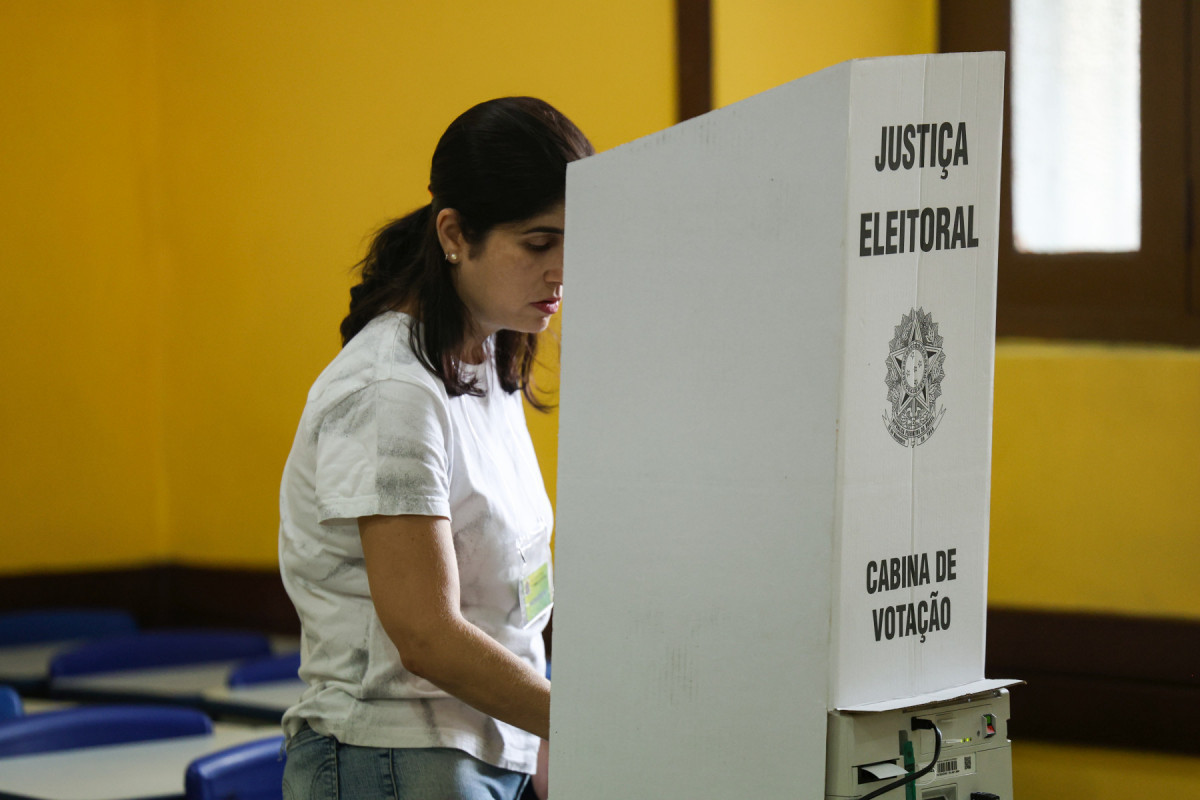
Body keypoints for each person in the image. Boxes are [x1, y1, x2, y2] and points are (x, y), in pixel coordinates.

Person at [278, 97, 593, 800]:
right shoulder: (391, 387)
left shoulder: (487, 358)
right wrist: (585, 723)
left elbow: (506, 602)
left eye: (577, 242)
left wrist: (540, 739)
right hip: (392, 756)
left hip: (478, 749)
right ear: (455, 233)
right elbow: (426, 635)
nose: (561, 273)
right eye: (539, 245)